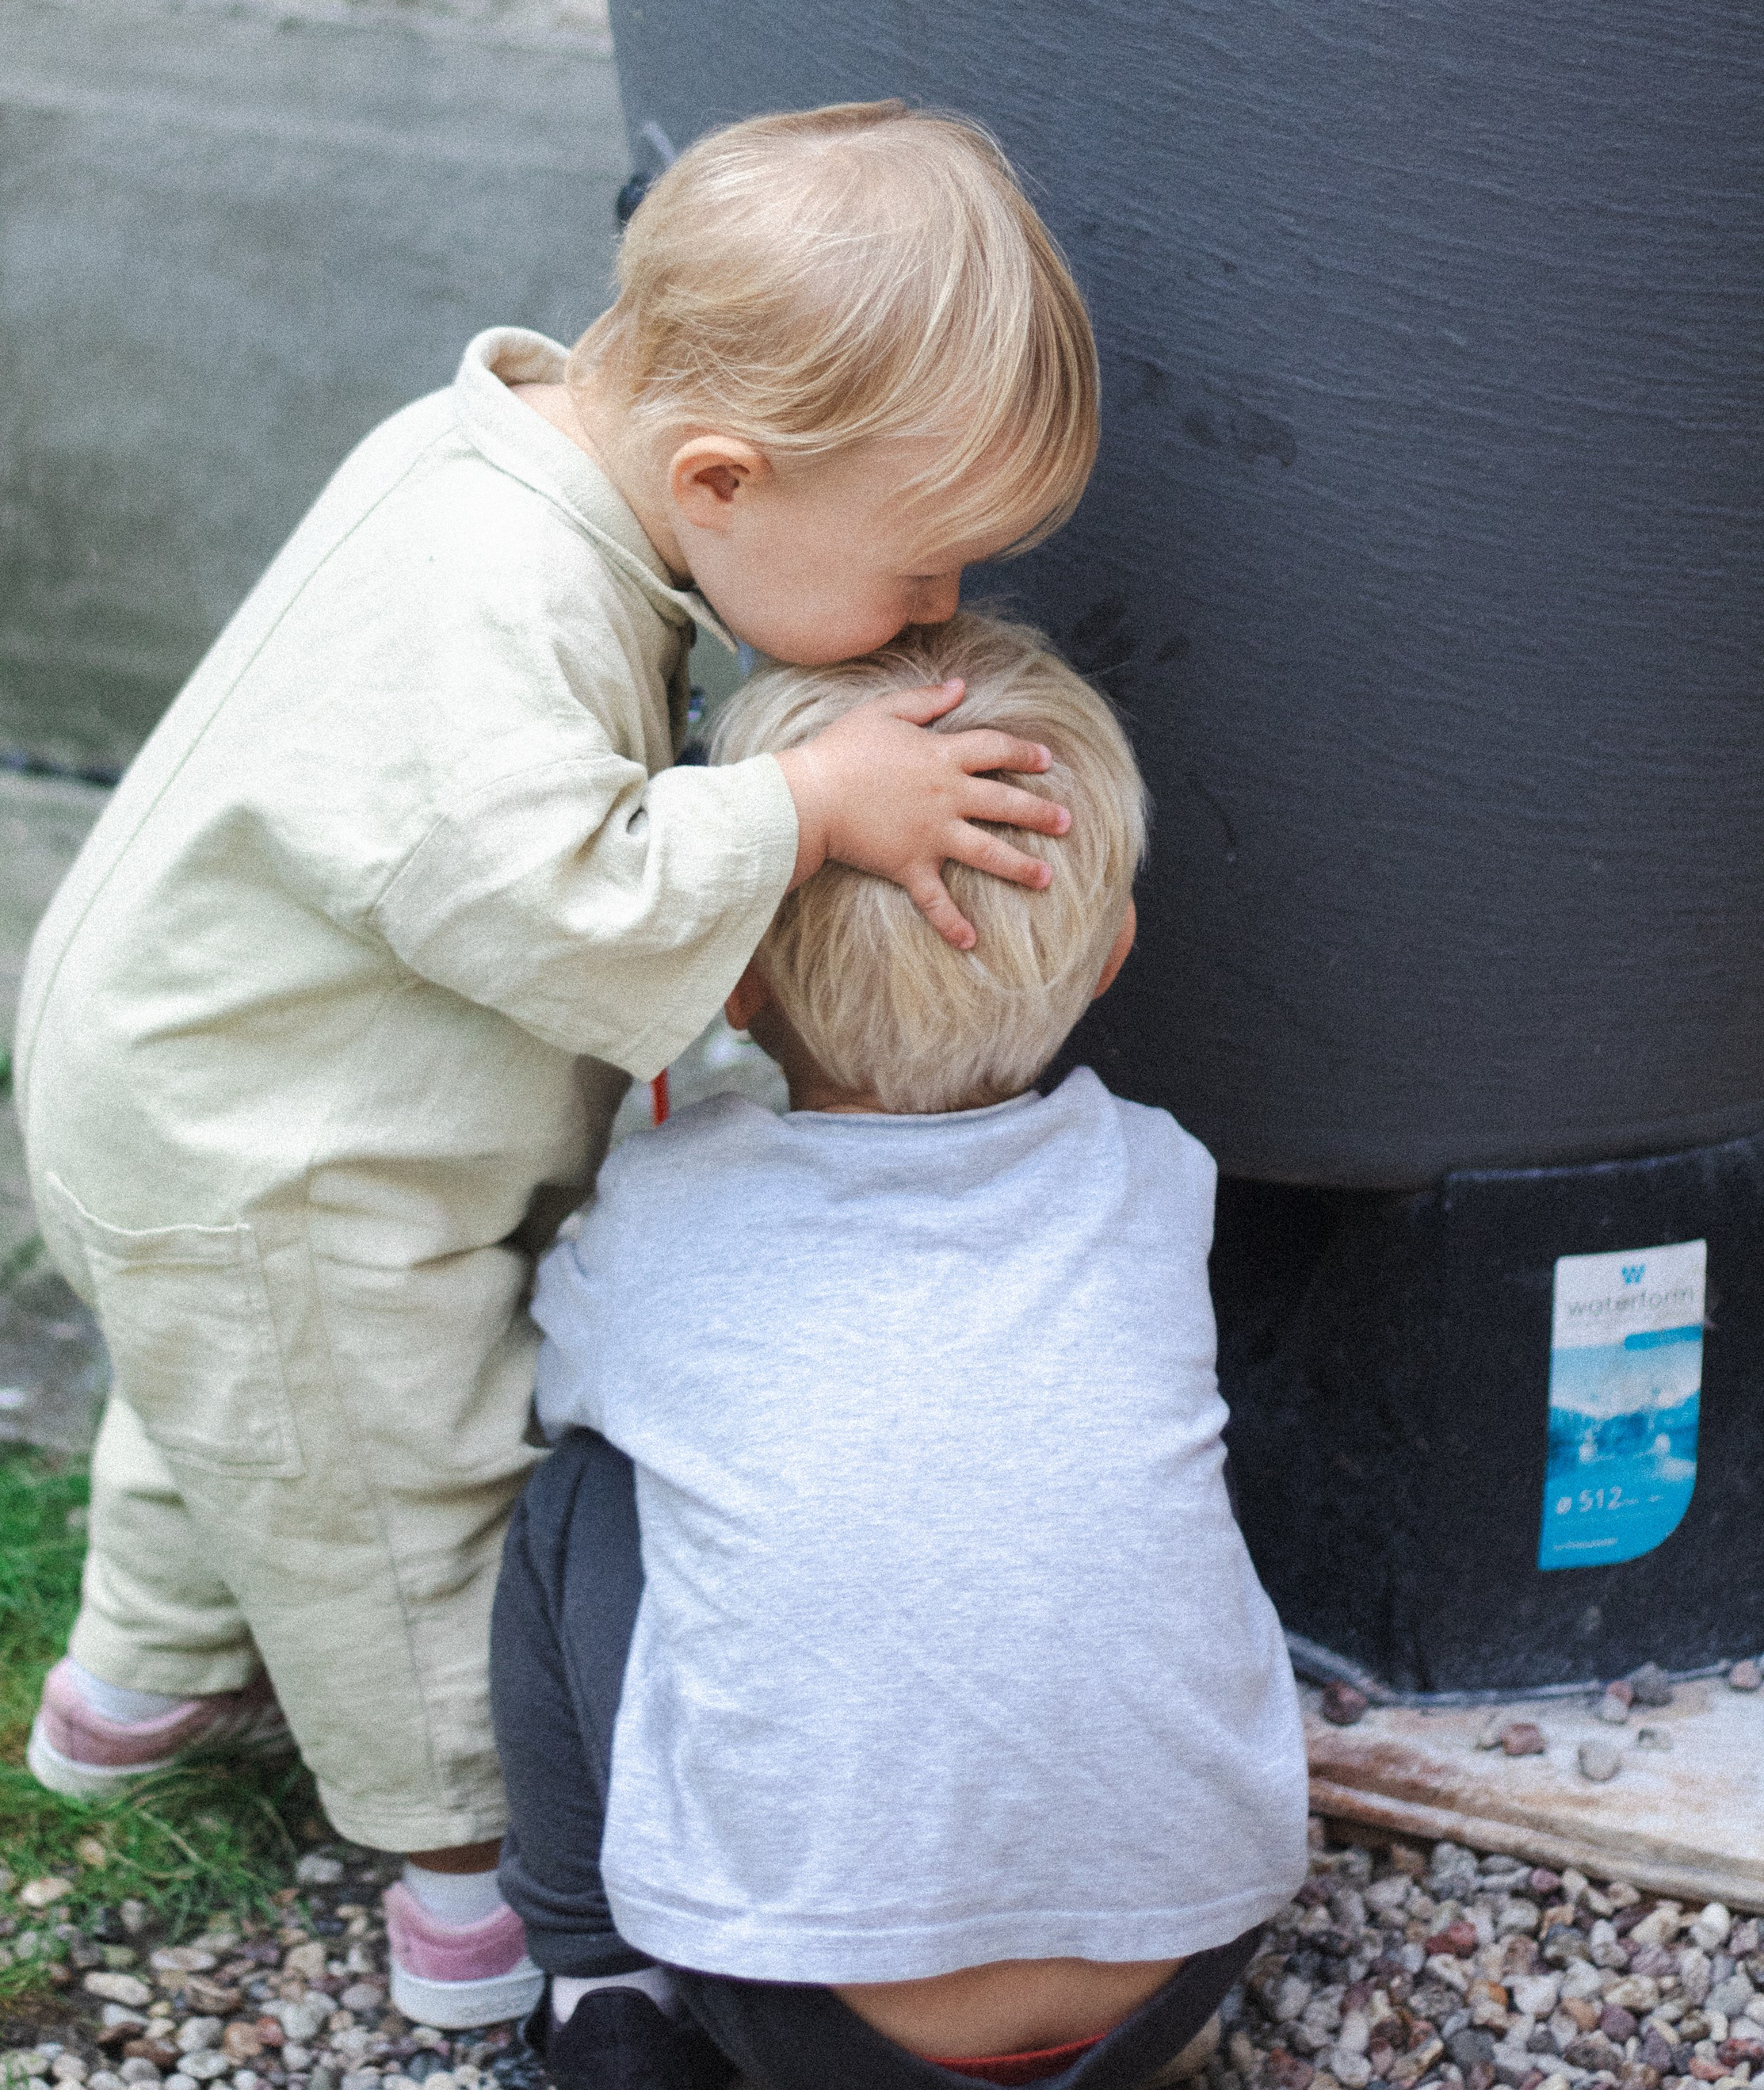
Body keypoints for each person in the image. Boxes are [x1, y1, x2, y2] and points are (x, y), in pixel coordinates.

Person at [13, 102, 1101, 2030]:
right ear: (721, 478)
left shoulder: (490, 463)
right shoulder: (502, 596)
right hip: (282, 1153)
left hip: (182, 1076)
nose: (936, 614)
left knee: (240, 1408)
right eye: (923, 573)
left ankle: (135, 1682)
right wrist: (797, 806)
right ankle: (462, 1892)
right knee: (397, 1488)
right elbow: (536, 887)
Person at [492, 609, 1308, 2090]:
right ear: (1115, 949)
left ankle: (593, 1979)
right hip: (1176, 1974)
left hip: (807, 2015)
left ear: (730, 980)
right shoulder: (1158, 1178)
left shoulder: (675, 1201)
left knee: (575, 1506)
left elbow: (570, 1395)